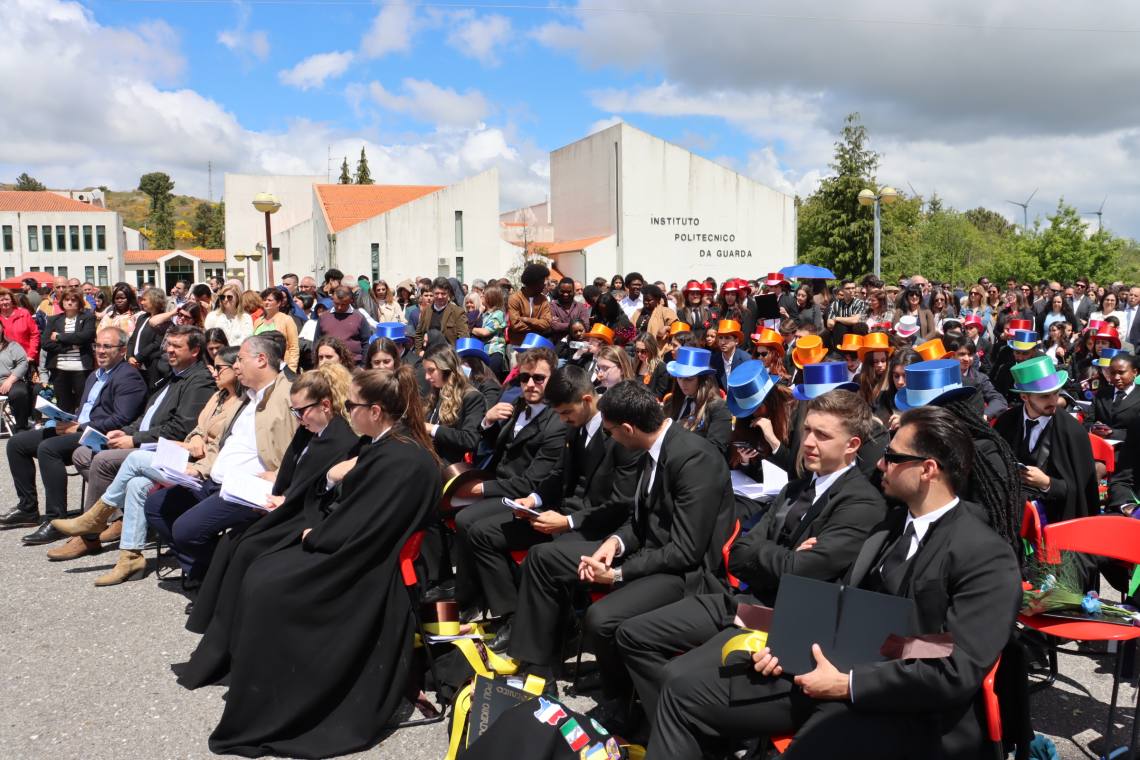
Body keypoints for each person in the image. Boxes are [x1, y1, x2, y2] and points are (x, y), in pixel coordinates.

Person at [650, 406, 1020, 760]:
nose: (880, 464)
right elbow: (843, 606)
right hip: (833, 671)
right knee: (680, 690)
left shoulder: (984, 554)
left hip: (906, 706)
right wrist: (786, 647)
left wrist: (850, 683)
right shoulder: (890, 526)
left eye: (892, 457)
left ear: (927, 470)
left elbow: (954, 663)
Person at [202, 365, 441, 758]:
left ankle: (278, 698)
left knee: (270, 586)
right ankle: (261, 687)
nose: (348, 412)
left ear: (375, 411)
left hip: (372, 568)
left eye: (352, 405)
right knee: (261, 569)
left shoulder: (401, 458)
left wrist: (318, 536)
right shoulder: (386, 445)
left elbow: (369, 527)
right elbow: (362, 513)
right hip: (362, 550)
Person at [619, 389, 886, 734]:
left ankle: (684, 729)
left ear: (852, 445)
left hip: (777, 619)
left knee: (676, 675)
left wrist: (773, 557)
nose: (808, 442)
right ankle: (685, 731)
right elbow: (738, 554)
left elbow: (800, 572)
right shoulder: (795, 488)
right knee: (632, 635)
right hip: (742, 600)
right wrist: (784, 556)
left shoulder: (861, 503)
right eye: (807, 430)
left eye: (822, 435)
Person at [502, 380, 733, 720]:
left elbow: (686, 550)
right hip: (649, 552)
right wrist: (614, 543)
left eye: (610, 432)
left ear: (628, 428)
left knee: (601, 618)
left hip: (685, 574)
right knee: (543, 558)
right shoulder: (653, 450)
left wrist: (617, 574)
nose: (610, 438)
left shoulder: (693, 458)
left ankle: (620, 704)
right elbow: (640, 521)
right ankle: (539, 666)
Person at [178, 363, 360, 680]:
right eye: (294, 411)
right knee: (232, 541)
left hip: (307, 516)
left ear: (325, 405)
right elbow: (293, 475)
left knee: (247, 549)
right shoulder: (310, 430)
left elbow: (321, 494)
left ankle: (232, 644)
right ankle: (219, 637)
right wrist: (280, 494)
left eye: (302, 411)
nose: (298, 418)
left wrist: (286, 501)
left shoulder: (341, 439)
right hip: (287, 508)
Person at [468, 366, 644, 651]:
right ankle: (513, 614)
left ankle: (550, 630)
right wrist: (533, 500)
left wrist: (568, 521)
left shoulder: (617, 436)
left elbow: (620, 504)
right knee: (482, 533)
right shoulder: (574, 425)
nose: (562, 419)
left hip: (595, 525)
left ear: (587, 400)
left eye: (566, 413)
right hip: (560, 513)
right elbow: (558, 474)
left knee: (540, 559)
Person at [52, 347, 243, 584]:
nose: (213, 372)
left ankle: (96, 517)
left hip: (203, 470)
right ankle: (130, 557)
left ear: (237, 369)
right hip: (188, 456)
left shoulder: (241, 404)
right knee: (137, 484)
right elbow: (197, 428)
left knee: (134, 459)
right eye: (213, 367)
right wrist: (194, 439)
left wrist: (196, 448)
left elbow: (225, 447)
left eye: (219, 368)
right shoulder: (218, 397)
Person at [142, 335, 297, 584]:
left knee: (186, 530)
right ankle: (208, 575)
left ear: (261, 360)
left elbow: (301, 447)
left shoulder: (288, 395)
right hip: (214, 479)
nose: (236, 366)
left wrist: (282, 478)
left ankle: (223, 579)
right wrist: (199, 469)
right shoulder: (246, 397)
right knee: (156, 506)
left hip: (248, 488)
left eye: (240, 360)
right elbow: (221, 443)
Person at [451, 347, 567, 620]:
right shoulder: (518, 406)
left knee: (470, 522)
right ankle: (469, 597)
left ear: (553, 379)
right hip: (502, 486)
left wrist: (482, 489)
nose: (530, 384)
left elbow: (532, 481)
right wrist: (487, 421)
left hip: (528, 497)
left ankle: (496, 609)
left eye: (538, 378)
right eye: (524, 377)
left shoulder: (556, 422)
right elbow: (498, 448)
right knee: (459, 515)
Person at [1, 328, 147, 542]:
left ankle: (56, 519)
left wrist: (79, 427)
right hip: (77, 427)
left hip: (98, 434)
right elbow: (85, 410)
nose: (100, 351)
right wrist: (66, 420)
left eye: (107, 346)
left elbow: (121, 419)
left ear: (123, 350)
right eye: (98, 345)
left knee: (49, 449)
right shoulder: (95, 375)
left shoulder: (128, 377)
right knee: (17, 443)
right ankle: (28, 509)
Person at [993, 355, 1097, 525]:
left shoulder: (1073, 432)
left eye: (1056, 393)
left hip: (1054, 516)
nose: (1053, 401)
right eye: (1044, 396)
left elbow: (1082, 494)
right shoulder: (1006, 422)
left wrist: (1047, 483)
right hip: (1009, 509)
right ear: (1024, 397)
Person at [423, 344, 487, 465]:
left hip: (448, 466)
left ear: (446, 369)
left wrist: (432, 429)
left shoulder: (472, 397)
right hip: (428, 460)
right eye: (426, 371)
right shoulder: (436, 391)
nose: (426, 377)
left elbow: (470, 439)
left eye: (431, 370)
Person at [662, 346, 732, 457]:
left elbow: (716, 450)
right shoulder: (671, 401)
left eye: (689, 379)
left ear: (702, 380)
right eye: (679, 377)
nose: (682, 383)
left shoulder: (718, 408)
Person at [42, 288, 97, 413]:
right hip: (59, 369)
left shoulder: (88, 317)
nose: (70, 302)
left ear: (80, 302)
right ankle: (65, 426)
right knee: (63, 405)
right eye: (67, 300)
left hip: (81, 369)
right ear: (62, 302)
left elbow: (86, 336)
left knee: (83, 403)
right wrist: (70, 347)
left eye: (74, 300)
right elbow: (45, 343)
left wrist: (59, 337)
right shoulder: (53, 319)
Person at [1084, 352, 1140, 444]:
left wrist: (1112, 433)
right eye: (1113, 373)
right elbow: (1087, 422)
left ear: (1134, 372)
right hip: (1100, 447)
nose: (1116, 377)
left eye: (1121, 373)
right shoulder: (1102, 394)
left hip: (1129, 449)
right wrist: (1093, 429)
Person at [126, 287, 171, 391]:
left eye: (145, 299)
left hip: (151, 367)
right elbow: (132, 339)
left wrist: (138, 358)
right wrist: (129, 356)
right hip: (136, 366)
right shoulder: (142, 317)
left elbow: (156, 343)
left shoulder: (162, 319)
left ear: (154, 300)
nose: (142, 302)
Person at [314, 286, 372, 364]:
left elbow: (366, 342)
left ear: (350, 301)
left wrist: (364, 365)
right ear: (333, 299)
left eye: (343, 304)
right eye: (337, 303)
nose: (339, 307)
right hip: (329, 364)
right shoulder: (323, 317)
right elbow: (316, 342)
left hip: (354, 364)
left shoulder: (359, 317)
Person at [415, 276, 470, 351]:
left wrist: (453, 355)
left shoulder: (458, 312)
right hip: (428, 354)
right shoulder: (426, 310)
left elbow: (463, 338)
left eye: (443, 294)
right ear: (433, 292)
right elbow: (419, 334)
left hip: (448, 354)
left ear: (448, 293)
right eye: (437, 293)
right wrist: (419, 351)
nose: (440, 297)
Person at [507, 264, 553, 349]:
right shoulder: (515, 298)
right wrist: (538, 325)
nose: (544, 284)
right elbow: (516, 325)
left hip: (537, 344)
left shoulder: (543, 299)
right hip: (517, 345)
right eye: (542, 281)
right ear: (534, 283)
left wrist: (526, 319)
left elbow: (546, 324)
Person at [253, 287, 300, 371]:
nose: (266, 302)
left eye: (270, 300)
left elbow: (294, 347)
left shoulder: (287, 320)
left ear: (278, 303)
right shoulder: (258, 321)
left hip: (280, 366)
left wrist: (291, 368)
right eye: (264, 300)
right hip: (260, 366)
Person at [0, 286, 40, 375]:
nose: (4, 302)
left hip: (25, 358)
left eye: (7, 299)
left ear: (12, 300)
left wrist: (31, 354)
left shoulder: (23, 313)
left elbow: (34, 334)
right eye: (1, 300)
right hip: (4, 361)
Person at [0, 320, 32, 430]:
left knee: (19, 392)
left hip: (11, 380)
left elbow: (23, 363)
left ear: (2, 329)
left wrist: (10, 380)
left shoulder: (12, 346)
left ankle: (21, 426)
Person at [471, 284, 508, 377]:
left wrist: (470, 329)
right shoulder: (483, 313)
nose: (481, 296)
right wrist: (479, 311)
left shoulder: (498, 314)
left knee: (492, 379)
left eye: (483, 294)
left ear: (490, 297)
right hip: (483, 352)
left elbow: (485, 332)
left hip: (494, 352)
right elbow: (472, 322)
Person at [549, 276, 591, 344]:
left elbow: (586, 326)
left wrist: (562, 325)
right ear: (558, 290)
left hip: (578, 345)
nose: (565, 294)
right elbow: (554, 326)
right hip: (559, 345)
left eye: (569, 292)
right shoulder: (552, 306)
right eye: (563, 291)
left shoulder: (581, 307)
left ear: (573, 291)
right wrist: (577, 326)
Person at [710, 319, 748, 389]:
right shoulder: (713, 360)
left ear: (736, 341)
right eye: (720, 338)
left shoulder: (746, 360)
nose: (722, 342)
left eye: (727, 338)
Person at [634, 332, 671, 399]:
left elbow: (659, 394)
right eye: (637, 350)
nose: (639, 354)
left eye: (643, 351)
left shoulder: (661, 368)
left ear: (651, 350)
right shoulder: (635, 364)